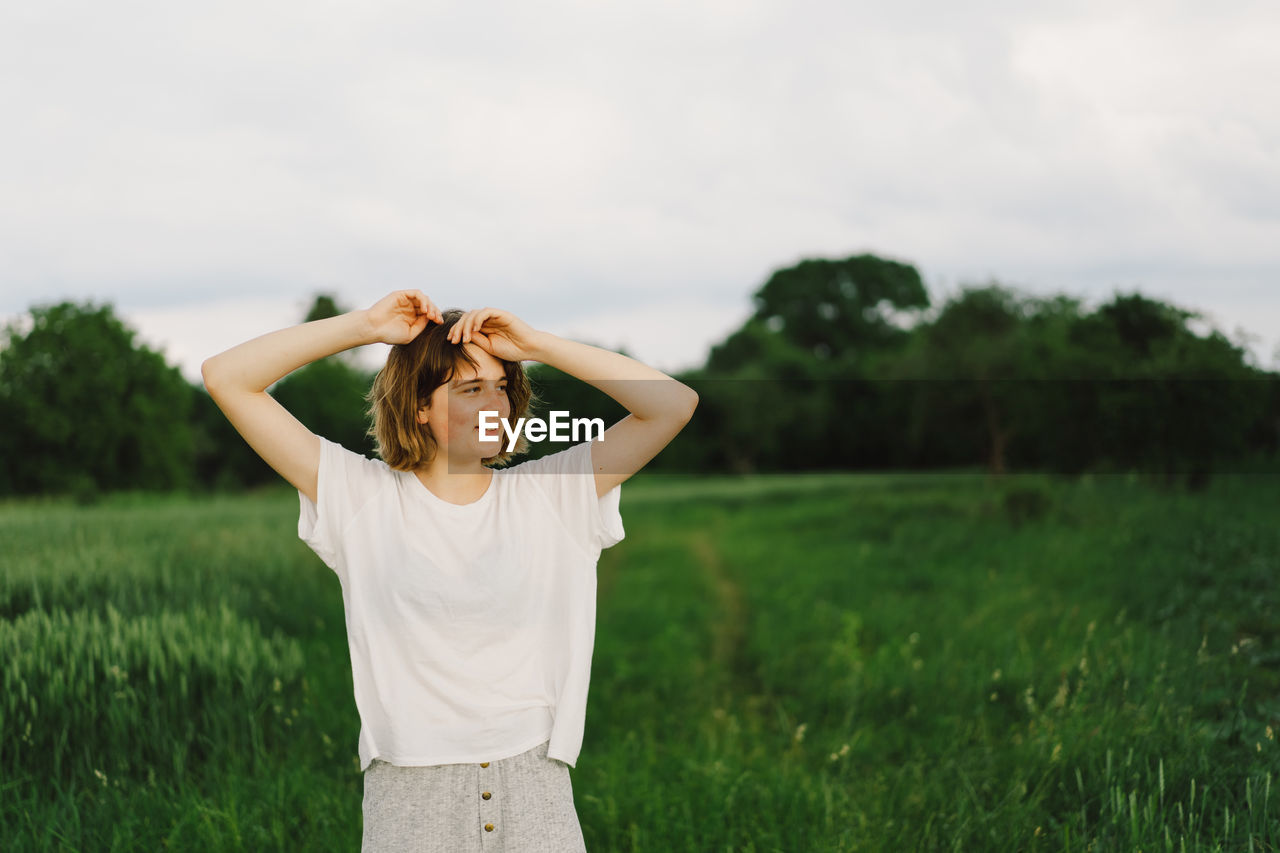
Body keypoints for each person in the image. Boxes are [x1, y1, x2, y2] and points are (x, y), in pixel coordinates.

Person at [201, 290, 698, 852]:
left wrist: (537, 344)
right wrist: (365, 326)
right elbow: (226, 377)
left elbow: (672, 405)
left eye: (502, 388)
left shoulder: (554, 496)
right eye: (469, 389)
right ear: (419, 407)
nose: (497, 405)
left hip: (534, 785)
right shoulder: (359, 497)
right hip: (410, 795)